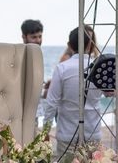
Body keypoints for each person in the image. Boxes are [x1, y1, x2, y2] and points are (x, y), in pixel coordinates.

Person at [44, 27, 103, 163]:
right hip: (93, 132)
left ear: (69, 45)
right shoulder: (98, 67)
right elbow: (110, 93)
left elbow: (51, 103)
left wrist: (45, 132)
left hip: (67, 134)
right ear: (90, 44)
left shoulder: (62, 68)